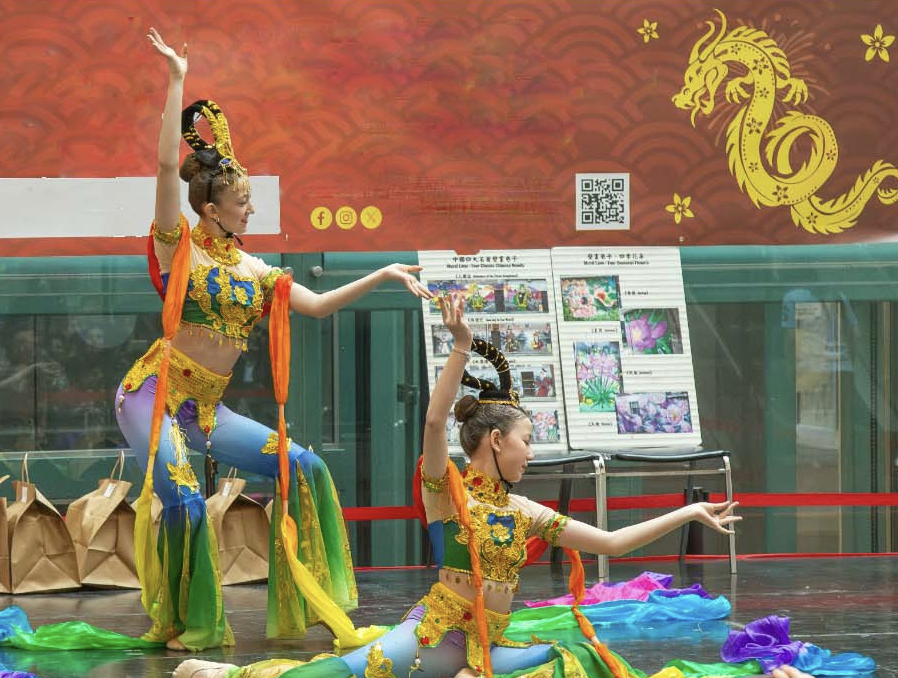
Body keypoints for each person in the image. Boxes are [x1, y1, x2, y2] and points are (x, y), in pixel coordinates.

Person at [174, 294, 812, 678]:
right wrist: (459, 348)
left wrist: (690, 510)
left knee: (575, 662)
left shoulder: (528, 510)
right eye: (528, 440)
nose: (533, 452)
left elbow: (613, 545)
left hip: (489, 648)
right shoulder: (443, 490)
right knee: (343, 673)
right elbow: (431, 418)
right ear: (495, 443)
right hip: (436, 637)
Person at [115, 28, 431, 652]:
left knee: (303, 464)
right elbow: (160, 166)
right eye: (242, 201)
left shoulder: (252, 271)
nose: (250, 210)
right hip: (151, 396)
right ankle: (186, 622)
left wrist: (382, 273)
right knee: (180, 494)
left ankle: (312, 602)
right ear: (211, 210)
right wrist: (177, 79)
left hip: (207, 409)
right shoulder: (177, 244)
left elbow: (313, 306)